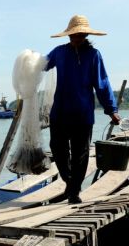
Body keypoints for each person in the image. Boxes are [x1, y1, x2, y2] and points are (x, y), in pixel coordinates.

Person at [45, 15, 121, 204]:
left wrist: (111, 109)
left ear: (86, 35)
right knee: (57, 148)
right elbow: (43, 64)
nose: (77, 38)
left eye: (80, 35)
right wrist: (28, 63)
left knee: (81, 153)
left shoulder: (93, 55)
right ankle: (69, 181)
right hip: (60, 111)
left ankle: (74, 191)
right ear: (69, 36)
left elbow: (102, 83)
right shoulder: (59, 52)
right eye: (73, 35)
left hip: (82, 113)